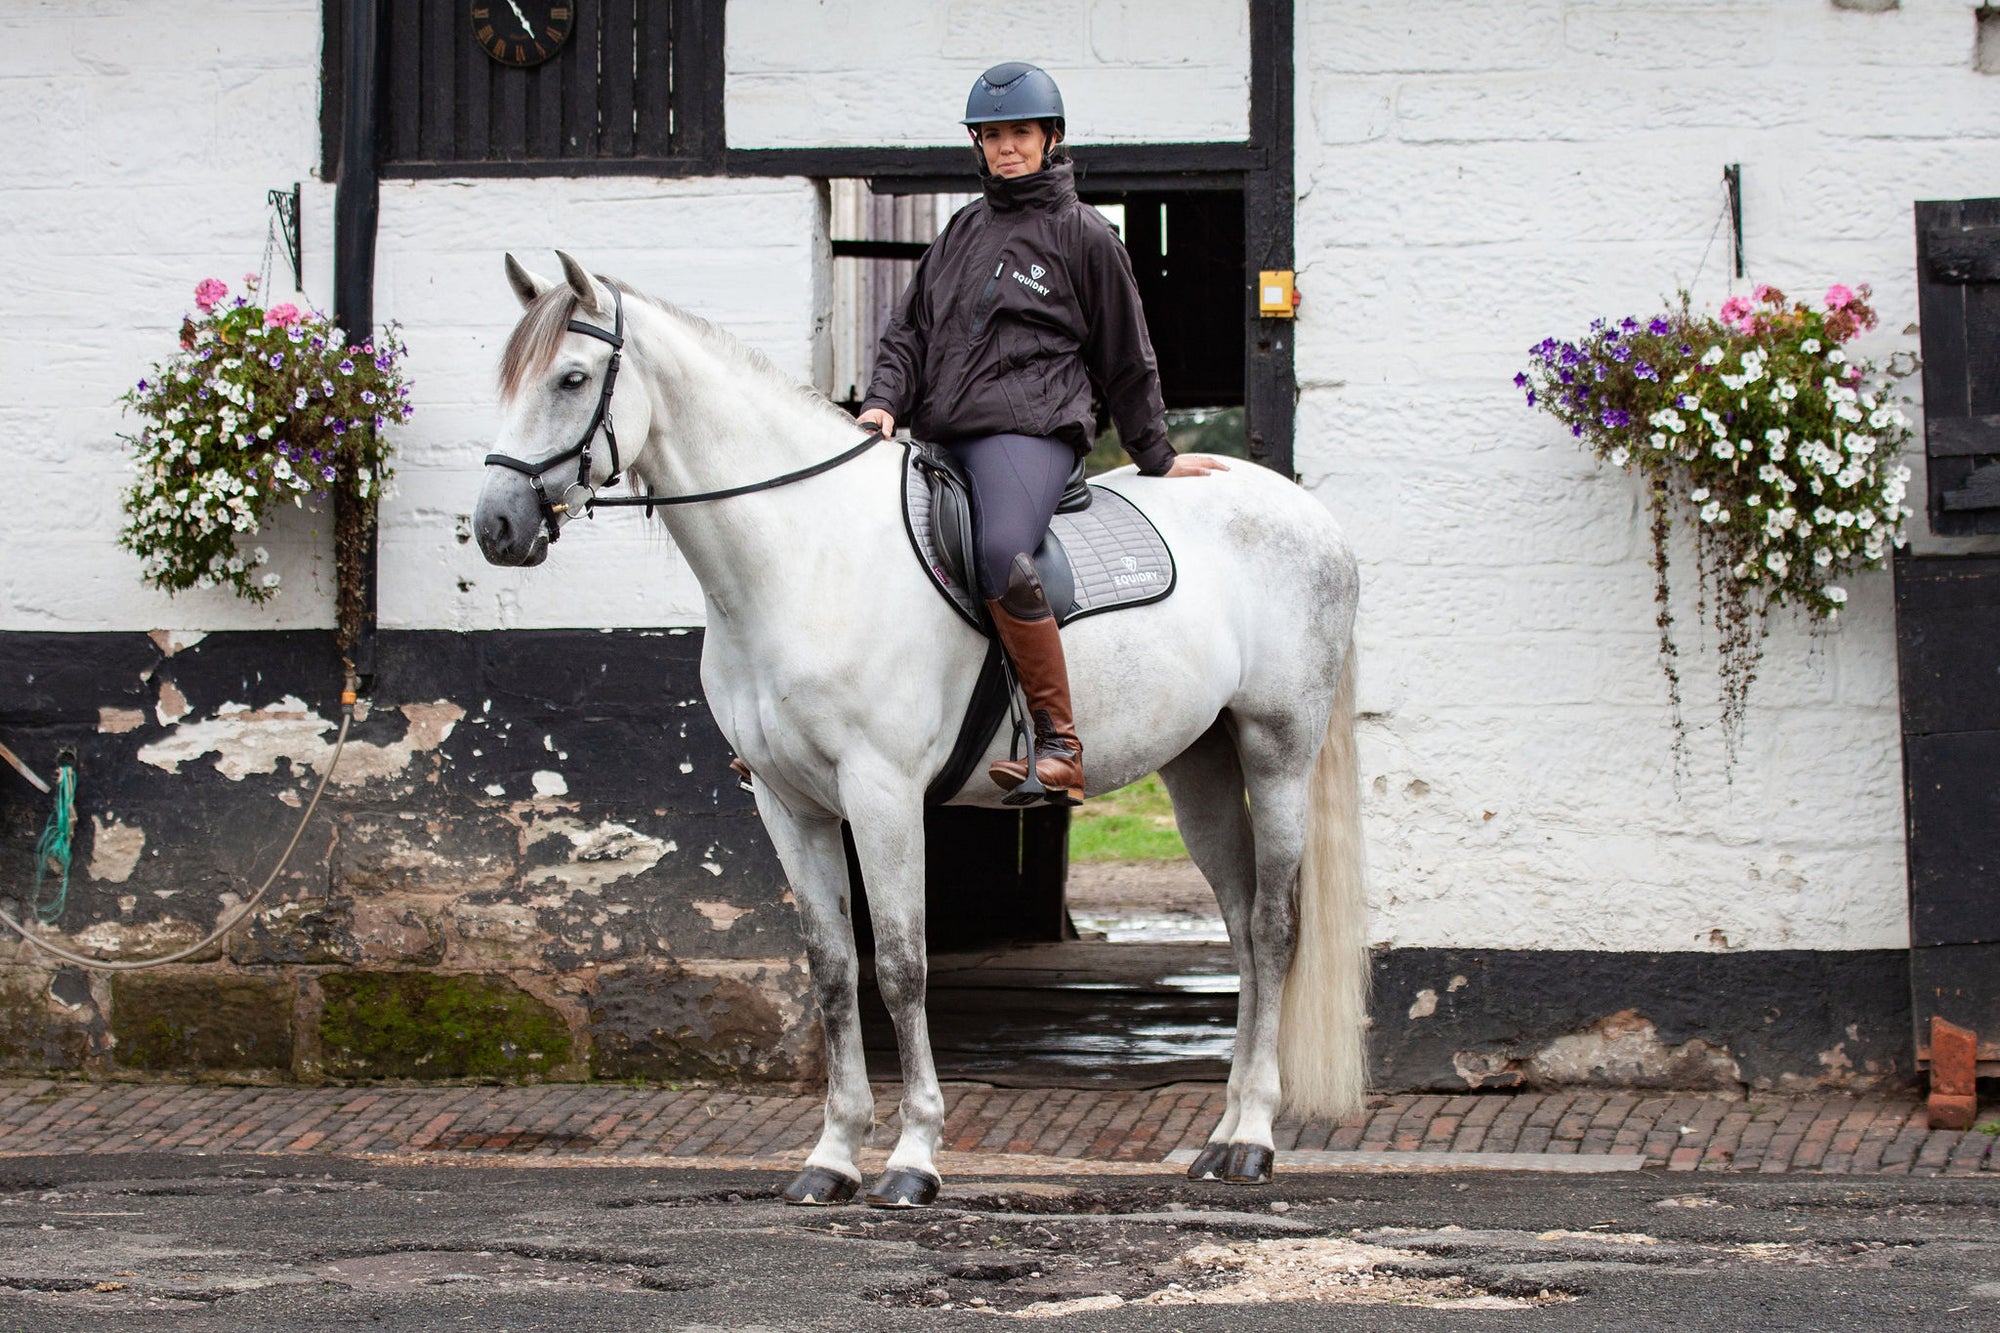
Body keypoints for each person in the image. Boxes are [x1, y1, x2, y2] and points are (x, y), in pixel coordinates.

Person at [858, 61, 1227, 806]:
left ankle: (1059, 743)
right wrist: (880, 405)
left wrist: (1156, 452)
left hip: (1030, 430)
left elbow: (1127, 353)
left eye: (1018, 134)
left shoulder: (1084, 236)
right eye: (991, 136)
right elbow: (908, 332)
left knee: (1000, 550)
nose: (1005, 149)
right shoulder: (961, 230)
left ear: (1050, 138)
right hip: (938, 430)